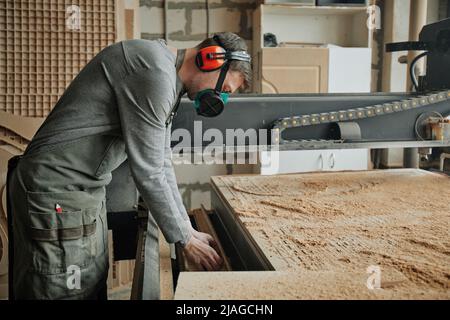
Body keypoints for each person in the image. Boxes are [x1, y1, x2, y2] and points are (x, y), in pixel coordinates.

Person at [6, 32, 251, 299]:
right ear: (210, 59)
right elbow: (149, 171)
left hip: (79, 193)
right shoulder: (154, 73)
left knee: (87, 286)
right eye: (224, 89)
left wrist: (186, 228)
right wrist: (184, 240)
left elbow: (161, 161)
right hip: (58, 192)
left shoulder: (165, 75)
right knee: (64, 291)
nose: (220, 98)